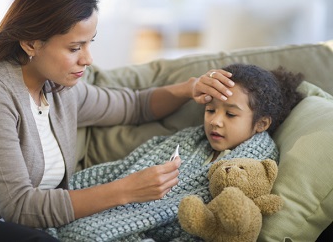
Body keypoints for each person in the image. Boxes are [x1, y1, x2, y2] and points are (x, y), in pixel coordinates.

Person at [0, 0, 234, 240]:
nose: (87, 59)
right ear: (30, 43)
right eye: (75, 48)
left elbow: (133, 106)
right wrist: (125, 190)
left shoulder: (59, 88)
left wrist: (188, 88)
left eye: (90, 43)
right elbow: (20, 208)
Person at [48, 63, 304, 241]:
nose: (215, 121)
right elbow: (126, 168)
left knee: (86, 234)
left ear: (261, 124)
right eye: (210, 109)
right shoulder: (188, 140)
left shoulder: (253, 165)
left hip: (157, 229)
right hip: (115, 207)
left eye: (231, 114)